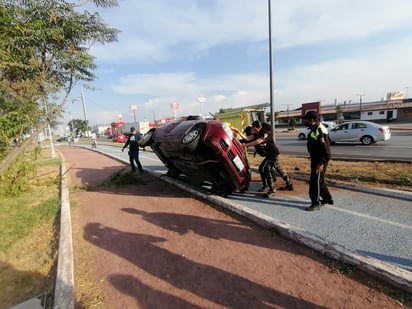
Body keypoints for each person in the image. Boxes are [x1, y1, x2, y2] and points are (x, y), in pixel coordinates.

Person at [242, 121, 294, 197]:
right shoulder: (258, 133)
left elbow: (258, 141)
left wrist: (245, 145)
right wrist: (236, 131)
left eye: (254, 129)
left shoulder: (264, 132)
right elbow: (247, 138)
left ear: (257, 127)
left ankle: (271, 189)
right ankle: (289, 184)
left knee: (264, 168)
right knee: (278, 168)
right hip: (271, 155)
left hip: (273, 155)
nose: (253, 131)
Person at [302, 111, 334, 211]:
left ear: (313, 120)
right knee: (319, 180)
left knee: (315, 182)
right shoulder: (314, 129)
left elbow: (326, 151)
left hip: (320, 161)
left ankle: (315, 203)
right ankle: (327, 198)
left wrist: (321, 163)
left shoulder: (321, 131)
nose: (305, 121)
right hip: (316, 159)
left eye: (307, 119)